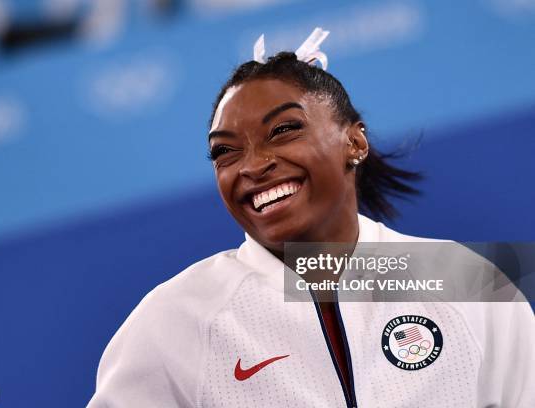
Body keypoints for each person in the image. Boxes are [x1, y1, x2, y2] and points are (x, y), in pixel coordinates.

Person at [87, 28, 534, 407]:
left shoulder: (466, 281)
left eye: (283, 130)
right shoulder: (176, 320)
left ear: (355, 143)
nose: (252, 165)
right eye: (225, 151)